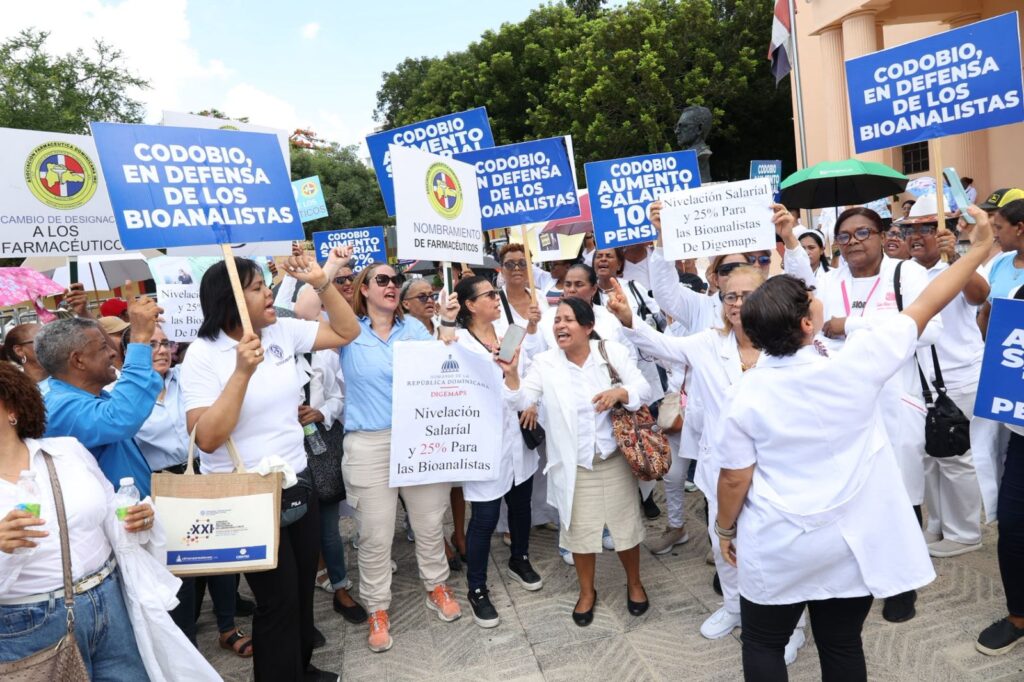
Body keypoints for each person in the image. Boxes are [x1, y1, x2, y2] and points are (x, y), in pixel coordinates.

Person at [712, 204, 994, 681]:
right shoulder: (857, 365)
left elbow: (735, 478)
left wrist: (723, 531)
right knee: (841, 644)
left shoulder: (745, 392)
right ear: (807, 325)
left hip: (777, 541)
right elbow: (928, 303)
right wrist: (980, 249)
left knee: (763, 643)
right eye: (809, 298)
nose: (817, 295)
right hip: (847, 544)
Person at [182, 248, 360, 682]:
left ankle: (300, 667)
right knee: (276, 600)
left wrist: (321, 282)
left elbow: (347, 330)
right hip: (246, 495)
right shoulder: (203, 354)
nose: (268, 295)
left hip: (297, 480)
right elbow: (206, 438)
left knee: (299, 591)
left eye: (266, 285)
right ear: (230, 298)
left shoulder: (280, 331)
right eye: (257, 288)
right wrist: (241, 372)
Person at [0, 362, 207, 681]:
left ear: (12, 408)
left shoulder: (67, 452)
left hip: (110, 600)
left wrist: (136, 520)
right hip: (30, 623)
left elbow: (110, 511)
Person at [785, 206, 942, 622]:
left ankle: (903, 584)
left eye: (862, 233)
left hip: (896, 398)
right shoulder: (829, 280)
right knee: (854, 489)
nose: (853, 242)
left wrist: (851, 324)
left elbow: (930, 330)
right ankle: (860, 568)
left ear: (882, 236)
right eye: (845, 236)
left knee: (902, 492)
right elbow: (812, 324)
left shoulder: (906, 274)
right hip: (842, 403)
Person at [499, 297, 652, 626]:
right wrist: (511, 375)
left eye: (568, 320)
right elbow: (522, 399)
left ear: (587, 326)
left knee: (625, 528)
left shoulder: (610, 352)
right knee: (579, 534)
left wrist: (620, 393)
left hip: (614, 460)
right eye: (557, 321)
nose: (560, 326)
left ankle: (635, 583)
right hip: (575, 467)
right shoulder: (545, 363)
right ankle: (586, 592)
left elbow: (644, 387)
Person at [337, 261, 463, 653]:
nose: (392, 285)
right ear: (364, 288)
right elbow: (307, 308)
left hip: (418, 435)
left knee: (429, 522)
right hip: (369, 443)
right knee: (374, 534)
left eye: (396, 280)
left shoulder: (415, 330)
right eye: (383, 280)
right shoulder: (347, 330)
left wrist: (448, 323)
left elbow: (443, 367)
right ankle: (377, 608)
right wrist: (329, 269)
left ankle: (437, 586)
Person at [129, 325, 250, 656]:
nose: (161, 350)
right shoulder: (123, 393)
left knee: (221, 556)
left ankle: (228, 627)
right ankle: (187, 644)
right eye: (151, 344)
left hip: (204, 472)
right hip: (163, 486)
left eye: (165, 343)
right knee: (181, 566)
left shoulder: (188, 375)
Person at [453, 275, 543, 628]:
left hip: (517, 436)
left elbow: (528, 381)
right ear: (470, 304)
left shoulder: (511, 334)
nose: (496, 298)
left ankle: (519, 557)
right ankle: (477, 588)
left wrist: (528, 396)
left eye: (495, 293)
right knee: (485, 518)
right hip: (482, 443)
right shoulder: (457, 342)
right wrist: (444, 321)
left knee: (521, 505)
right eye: (489, 294)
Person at [903, 199, 989, 558]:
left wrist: (956, 258)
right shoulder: (904, 272)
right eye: (910, 229)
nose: (916, 236)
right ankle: (937, 526)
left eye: (925, 228)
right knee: (929, 457)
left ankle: (965, 532)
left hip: (959, 377)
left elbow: (980, 295)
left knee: (956, 456)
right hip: (919, 382)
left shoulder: (959, 264)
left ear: (945, 231)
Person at [37, 297, 163, 497]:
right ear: (78, 360)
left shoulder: (90, 395)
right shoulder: (57, 406)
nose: (113, 353)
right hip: (112, 515)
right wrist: (139, 339)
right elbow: (121, 418)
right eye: (103, 347)